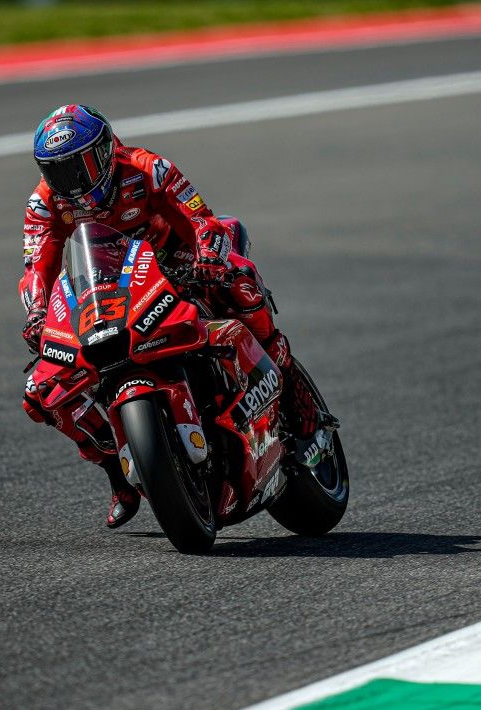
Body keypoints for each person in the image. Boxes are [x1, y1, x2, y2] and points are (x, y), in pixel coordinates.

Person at [18, 104, 321, 529]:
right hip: (106, 293)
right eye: (58, 172)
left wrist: (209, 257)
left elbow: (201, 217)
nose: (71, 183)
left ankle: (292, 388)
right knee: (40, 391)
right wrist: (36, 314)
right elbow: (37, 268)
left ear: (105, 152)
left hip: (175, 262)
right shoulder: (44, 204)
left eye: (81, 167)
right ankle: (117, 474)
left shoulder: (148, 169)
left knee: (238, 278)